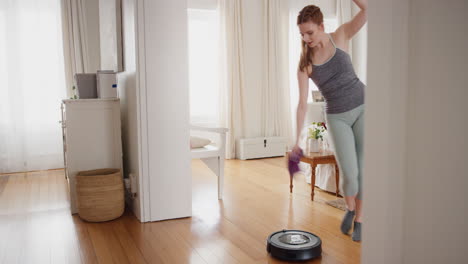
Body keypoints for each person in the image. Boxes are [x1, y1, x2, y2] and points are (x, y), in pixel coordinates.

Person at [293, 0, 367, 242]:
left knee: (364, 169)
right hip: (337, 117)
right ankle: (349, 207)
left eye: (310, 32)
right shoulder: (305, 64)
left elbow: (368, 10)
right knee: (349, 171)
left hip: (364, 106)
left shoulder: (341, 35)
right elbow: (303, 104)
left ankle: (359, 220)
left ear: (322, 25)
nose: (306, 38)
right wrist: (297, 141)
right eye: (302, 34)